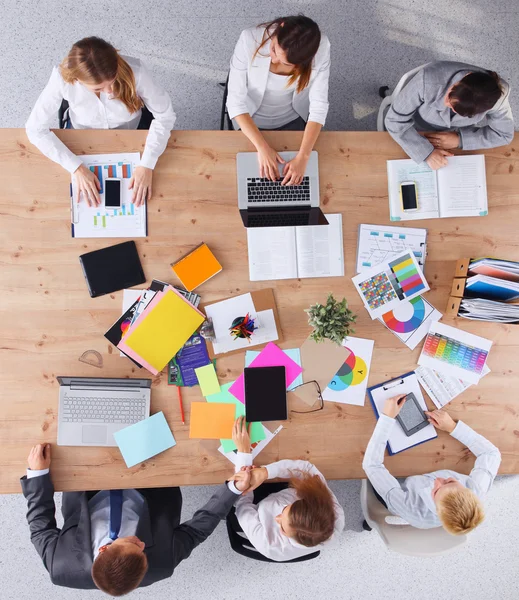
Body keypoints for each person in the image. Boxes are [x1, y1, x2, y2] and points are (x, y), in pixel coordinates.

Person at [21, 443, 251, 595]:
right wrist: (233, 489)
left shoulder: (60, 566)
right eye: (142, 550)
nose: (142, 544)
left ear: (103, 550)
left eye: (132, 544)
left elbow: (40, 526)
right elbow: (198, 529)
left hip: (89, 481)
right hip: (151, 483)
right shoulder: (161, 563)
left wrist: (38, 474)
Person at [26, 36, 176, 207]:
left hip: (132, 133)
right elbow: (34, 129)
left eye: (112, 82)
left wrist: (147, 164)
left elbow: (165, 115)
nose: (110, 92)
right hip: (81, 137)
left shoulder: (137, 72)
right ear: (77, 80)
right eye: (98, 89)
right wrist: (76, 168)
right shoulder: (62, 78)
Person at [362, 395, 502, 534]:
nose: (438, 480)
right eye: (449, 481)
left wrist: (387, 418)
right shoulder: (476, 490)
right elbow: (491, 454)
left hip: (399, 488)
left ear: (437, 511)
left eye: (436, 491)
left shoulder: (409, 508)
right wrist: (452, 427)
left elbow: (371, 465)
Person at [226, 15, 330, 185]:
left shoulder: (321, 48)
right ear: (280, 27)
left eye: (285, 63)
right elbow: (235, 103)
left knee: (302, 181)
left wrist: (303, 157)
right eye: (274, 49)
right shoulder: (248, 39)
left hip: (293, 118)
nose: (273, 59)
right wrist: (262, 147)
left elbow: (319, 107)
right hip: (249, 119)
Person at [228, 417, 344, 561]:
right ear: (312, 502)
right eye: (285, 510)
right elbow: (307, 470)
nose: (277, 517)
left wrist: (244, 453)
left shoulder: (268, 544)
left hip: (255, 504)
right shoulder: (332, 514)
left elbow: (242, 506)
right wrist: (265, 472)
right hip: (281, 492)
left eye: (282, 527)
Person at [385, 61, 514, 169]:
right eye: (449, 96)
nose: (446, 103)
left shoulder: (498, 97)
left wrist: (460, 140)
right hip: (415, 127)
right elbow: (394, 120)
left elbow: (504, 134)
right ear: (465, 77)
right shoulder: (427, 80)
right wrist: (426, 153)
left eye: (454, 108)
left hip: (453, 138)